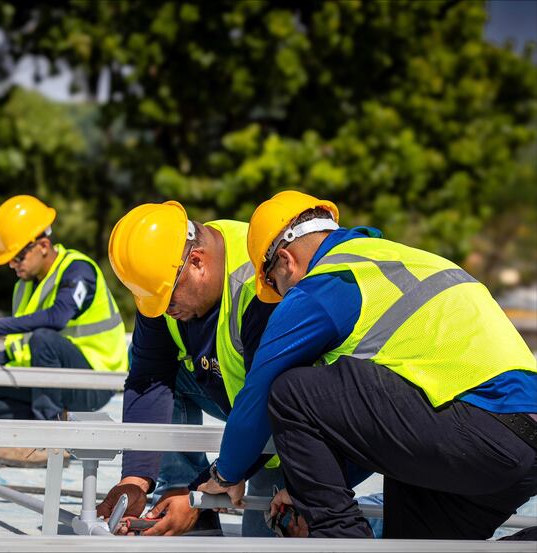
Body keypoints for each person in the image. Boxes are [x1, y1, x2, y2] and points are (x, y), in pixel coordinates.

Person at [195, 190, 537, 539]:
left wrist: (226, 475)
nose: (278, 296)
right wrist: (302, 491)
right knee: (415, 547)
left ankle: (341, 539)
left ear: (285, 261)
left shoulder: (331, 281)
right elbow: (377, 426)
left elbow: (261, 387)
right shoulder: (406, 260)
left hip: (477, 427)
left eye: (272, 285)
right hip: (512, 444)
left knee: (291, 392)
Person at [98, 200, 281, 536]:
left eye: (166, 300)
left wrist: (206, 489)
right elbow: (148, 378)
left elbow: (276, 400)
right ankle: (177, 488)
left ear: (197, 263)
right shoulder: (165, 277)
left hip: (289, 429)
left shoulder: (259, 282)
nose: (163, 311)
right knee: (168, 375)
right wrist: (136, 479)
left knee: (271, 538)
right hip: (239, 396)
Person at [0, 194, 128, 467]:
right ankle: (34, 430)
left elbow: (57, 319)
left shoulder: (79, 271)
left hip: (94, 382)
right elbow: (22, 350)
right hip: (52, 385)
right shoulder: (23, 286)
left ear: (43, 245)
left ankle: (49, 440)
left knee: (45, 338)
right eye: (10, 260)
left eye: (18, 257)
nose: (14, 265)